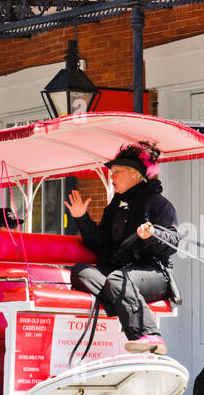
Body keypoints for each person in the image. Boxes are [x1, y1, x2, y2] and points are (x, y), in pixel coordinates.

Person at [66, 142, 179, 354]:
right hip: (119, 275)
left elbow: (172, 243)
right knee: (81, 272)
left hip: (153, 274)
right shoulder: (114, 207)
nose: (112, 177)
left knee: (119, 280)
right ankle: (123, 304)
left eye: (117, 172)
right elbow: (100, 246)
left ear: (135, 174)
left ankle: (151, 336)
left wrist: (152, 235)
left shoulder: (159, 204)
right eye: (112, 172)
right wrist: (82, 218)